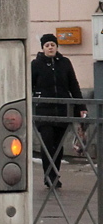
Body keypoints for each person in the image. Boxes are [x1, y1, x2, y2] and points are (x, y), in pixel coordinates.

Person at [31, 33, 87, 188]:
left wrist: (81, 107)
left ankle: (55, 173)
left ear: (57, 47)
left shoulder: (65, 63)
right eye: (47, 45)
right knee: (47, 143)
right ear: (43, 48)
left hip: (63, 111)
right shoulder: (36, 64)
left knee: (58, 144)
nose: (50, 47)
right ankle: (49, 176)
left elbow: (74, 86)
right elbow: (28, 87)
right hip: (44, 111)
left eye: (53, 45)